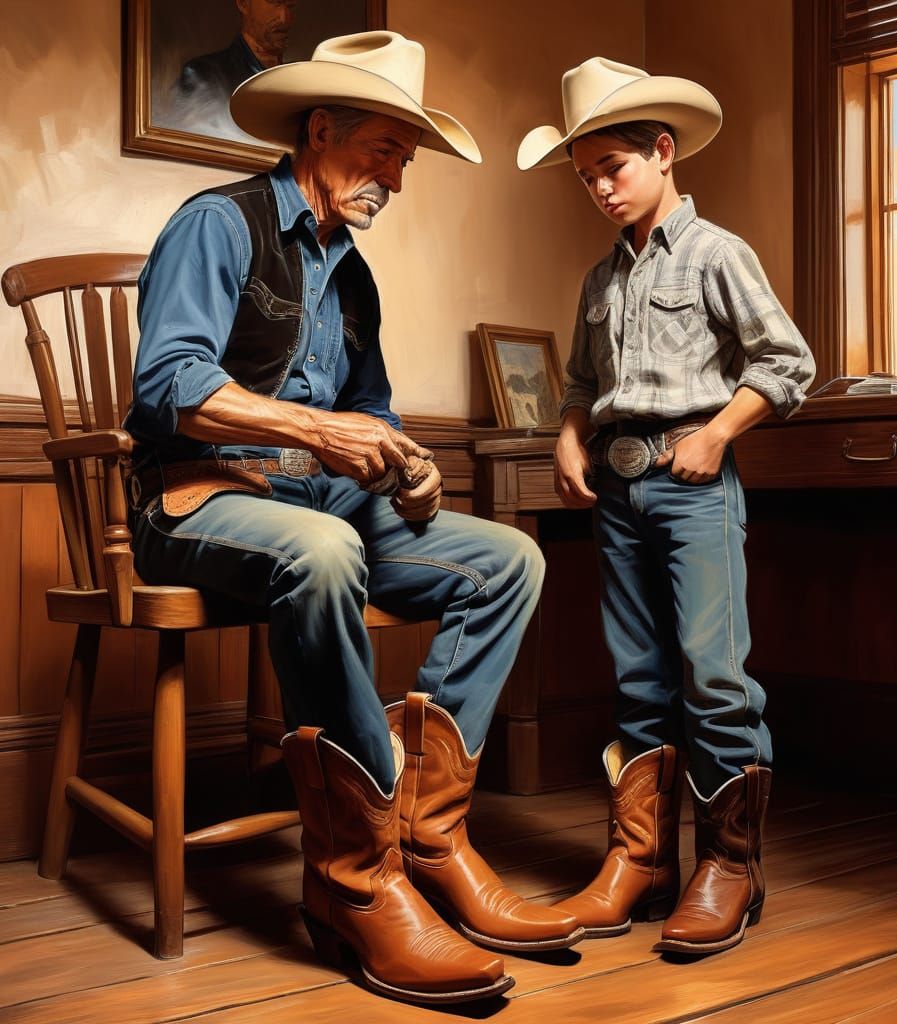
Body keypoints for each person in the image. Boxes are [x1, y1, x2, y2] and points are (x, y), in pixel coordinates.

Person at [127, 31, 581, 1006]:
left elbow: (368, 420)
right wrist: (319, 433)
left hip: (325, 502)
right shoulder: (219, 223)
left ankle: (424, 834)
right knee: (327, 551)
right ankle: (354, 879)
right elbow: (169, 384)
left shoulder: (354, 274)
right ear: (320, 130)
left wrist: (408, 468)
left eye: (406, 160)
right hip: (201, 494)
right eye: (385, 151)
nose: (398, 179)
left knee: (509, 560)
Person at [517, 57, 815, 955]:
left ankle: (731, 868)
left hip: (694, 490)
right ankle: (641, 863)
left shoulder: (719, 254)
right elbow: (578, 382)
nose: (601, 190)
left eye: (613, 169)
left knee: (712, 675)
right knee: (639, 680)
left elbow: (786, 363)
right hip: (618, 490)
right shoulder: (598, 282)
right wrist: (569, 437)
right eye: (585, 178)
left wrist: (718, 434)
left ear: (662, 150)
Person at [168, 0, 299, 140]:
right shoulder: (201, 76)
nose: (285, 18)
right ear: (243, 3)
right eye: (274, 3)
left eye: (290, 5)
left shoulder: (299, 83)